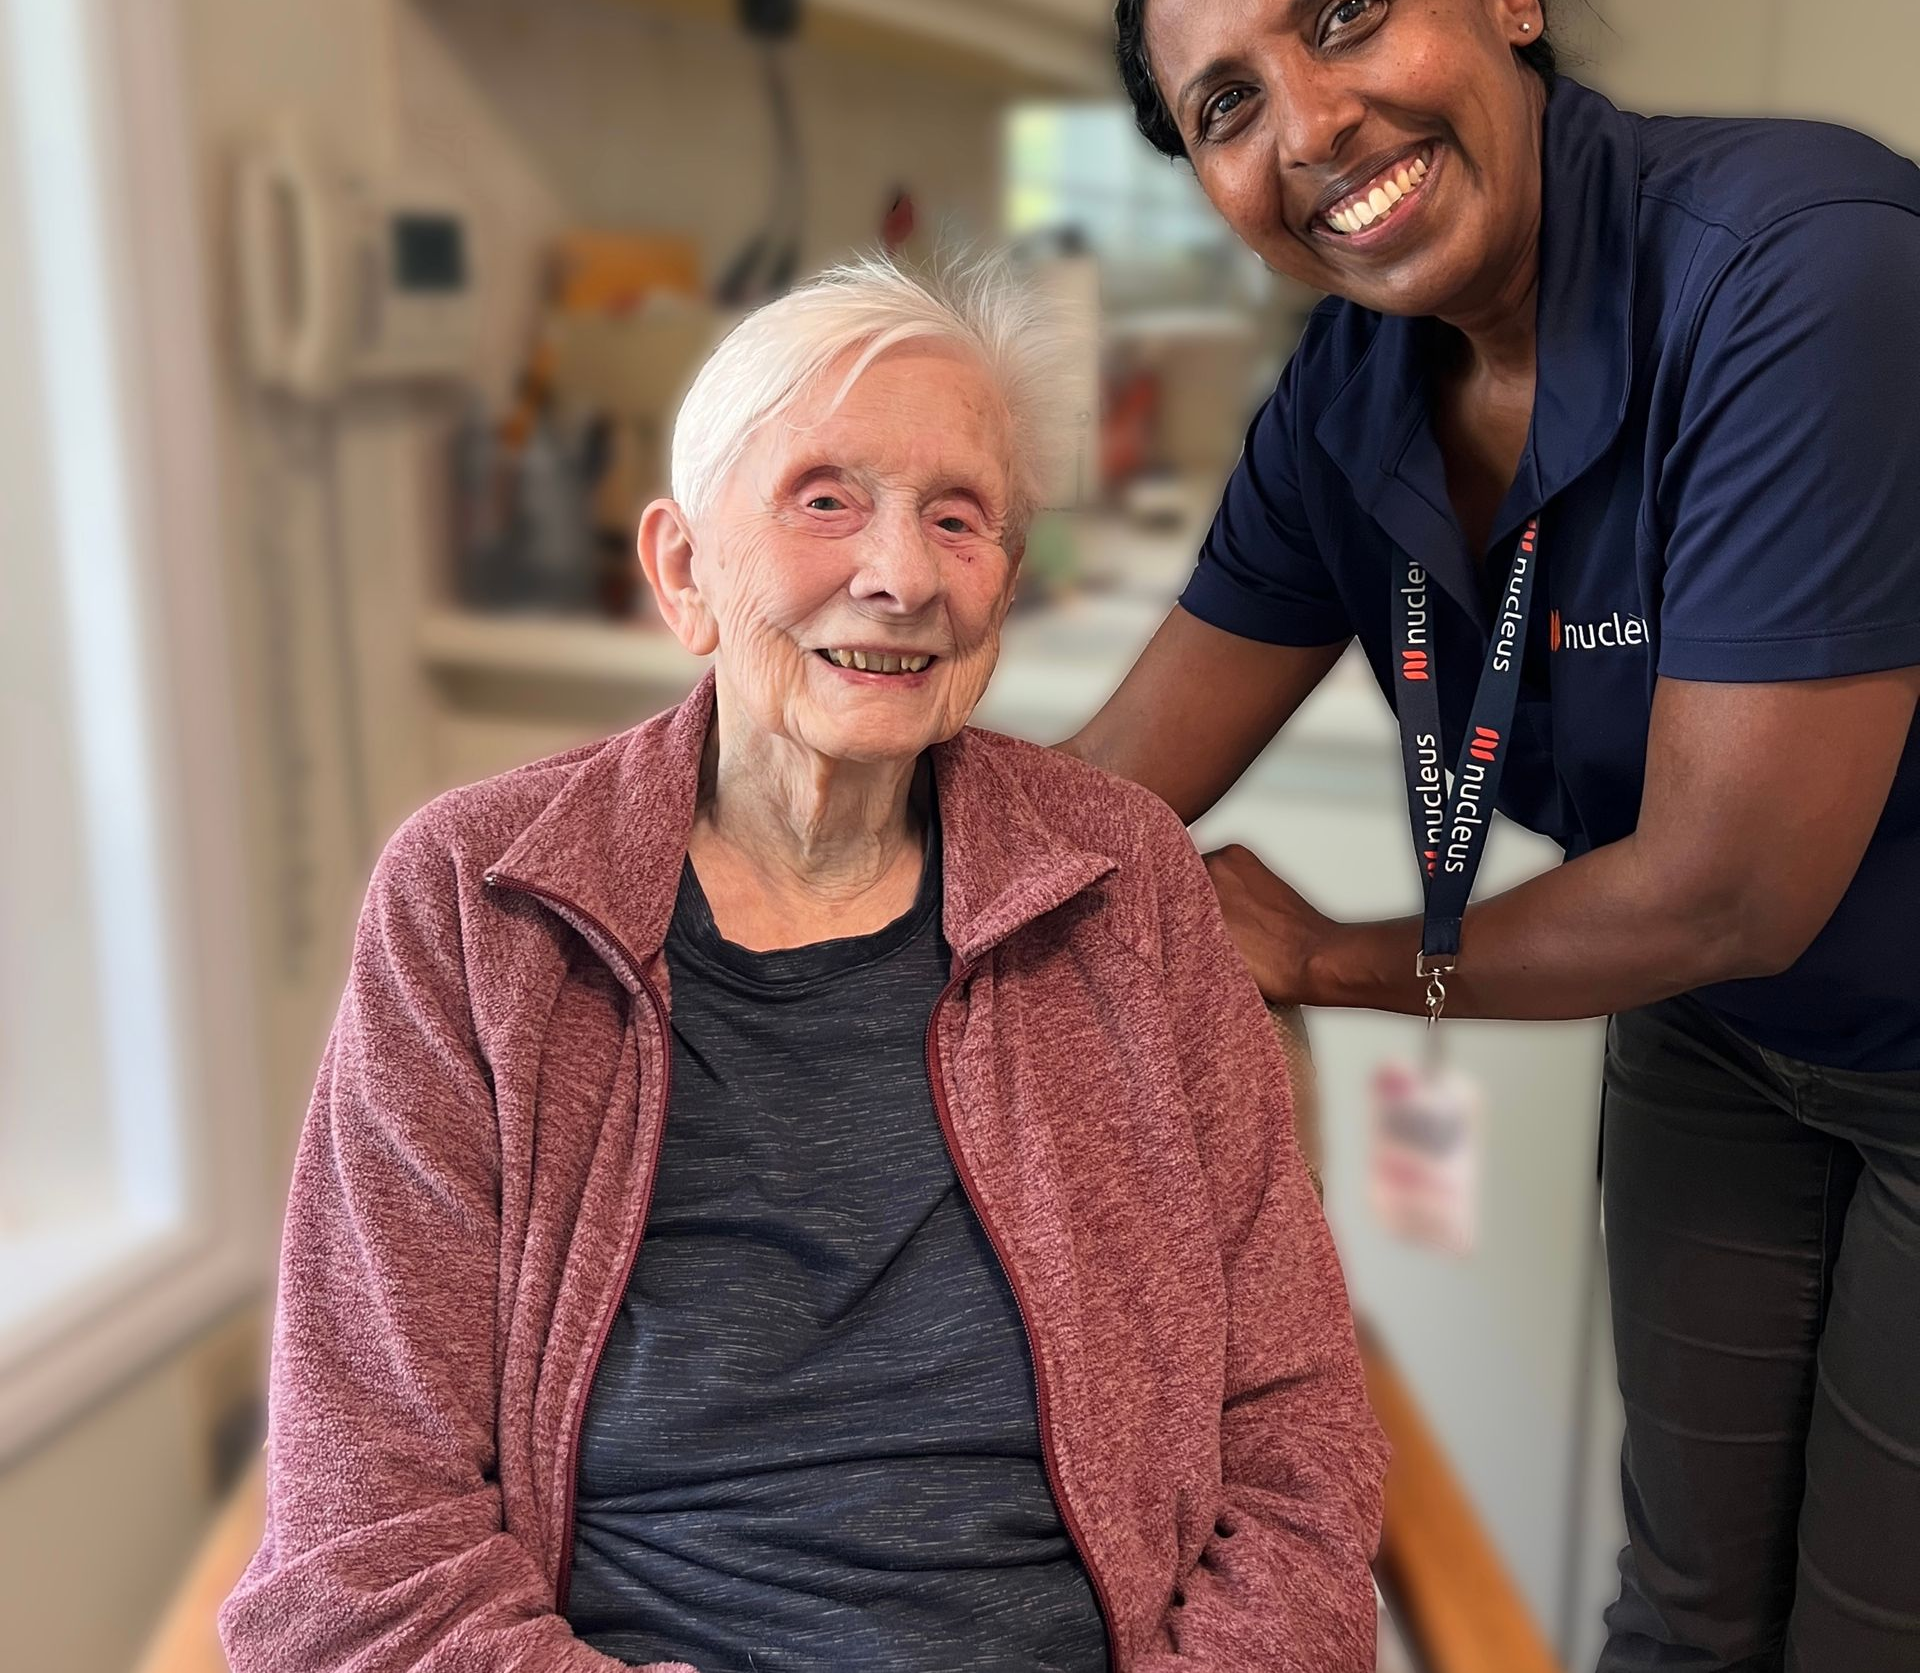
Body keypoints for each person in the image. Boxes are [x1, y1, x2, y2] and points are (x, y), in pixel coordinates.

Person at [219, 255, 1387, 1673]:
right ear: (682, 569)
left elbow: (1294, 1434)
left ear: (1003, 589)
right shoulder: (478, 908)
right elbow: (366, 1534)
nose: (898, 577)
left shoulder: (1124, 885)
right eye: (824, 500)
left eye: (958, 518)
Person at [1066, 0, 1920, 1672]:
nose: (1309, 127)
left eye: (1349, 15)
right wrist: (767, 852)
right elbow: (1110, 783)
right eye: (1225, 105)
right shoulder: (1346, 401)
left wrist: (1326, 955)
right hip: (1728, 1049)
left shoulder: (1807, 270)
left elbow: (1727, 888)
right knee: (1684, 1608)